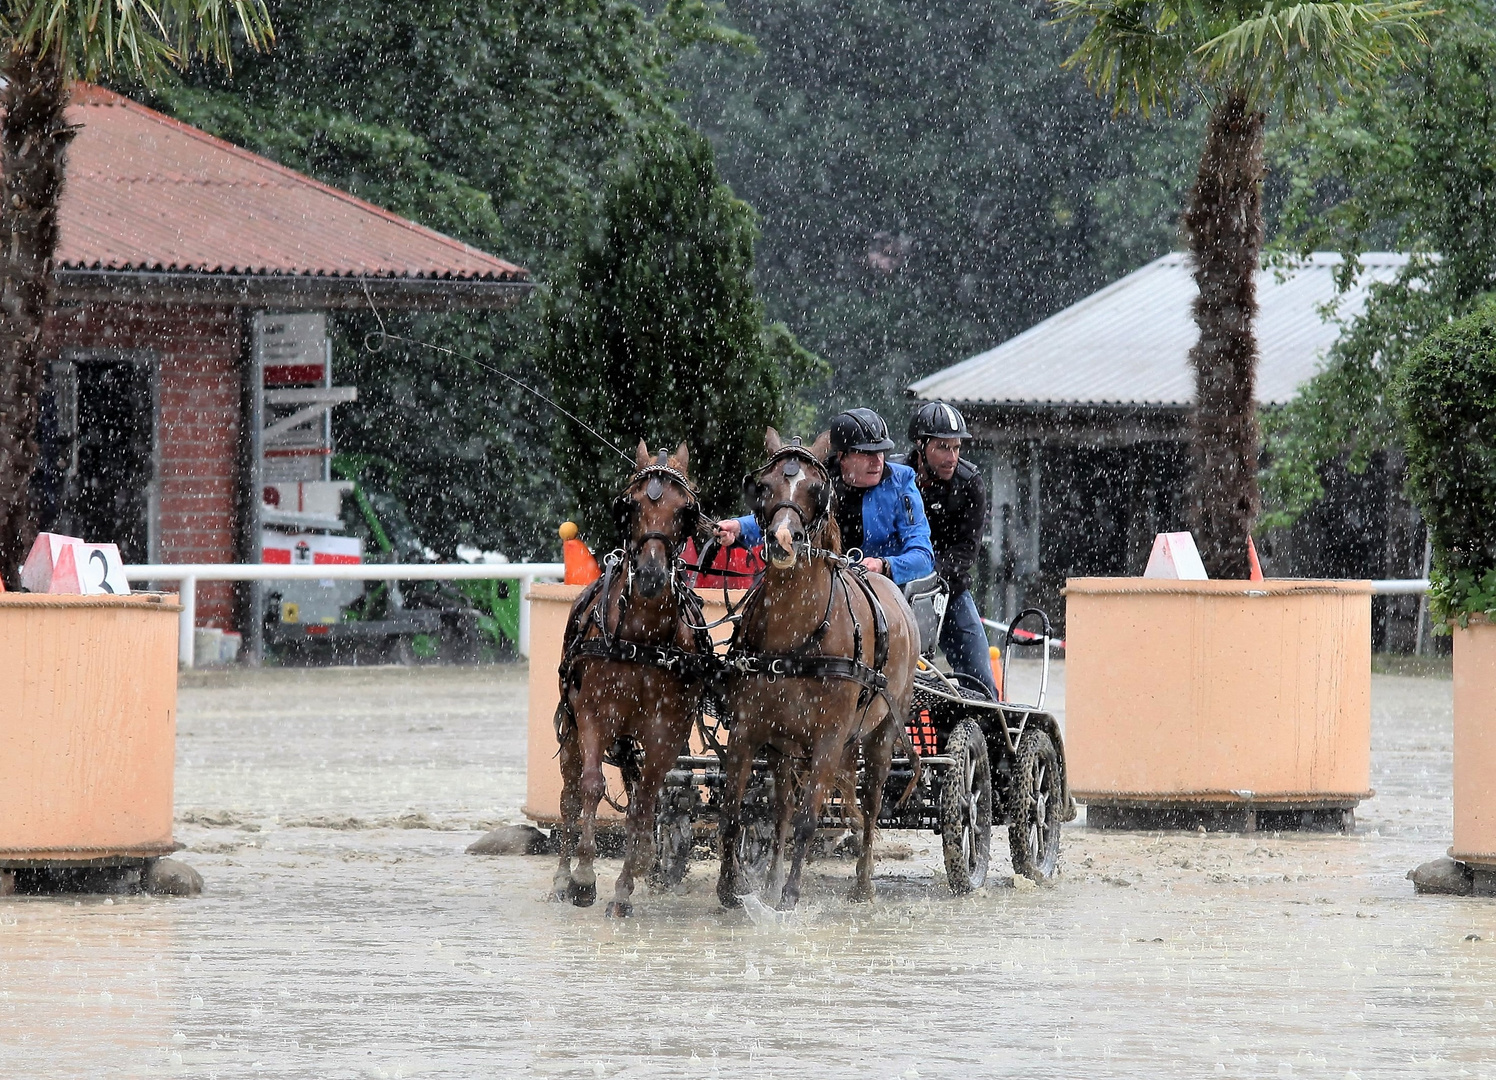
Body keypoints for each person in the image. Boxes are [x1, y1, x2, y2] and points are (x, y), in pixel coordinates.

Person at [714, 407, 935, 584]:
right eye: (867, 453)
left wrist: (884, 565)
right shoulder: (818, 484)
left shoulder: (902, 482)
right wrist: (739, 527)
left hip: (884, 590)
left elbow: (923, 555)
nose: (877, 461)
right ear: (843, 457)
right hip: (824, 584)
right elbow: (788, 519)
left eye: (880, 452)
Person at [899, 401, 998, 698]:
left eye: (956, 448)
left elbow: (967, 551)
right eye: (943, 447)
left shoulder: (971, 484)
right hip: (896, 588)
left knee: (982, 683)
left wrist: (930, 573)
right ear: (921, 445)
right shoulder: (894, 477)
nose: (952, 457)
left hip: (948, 591)